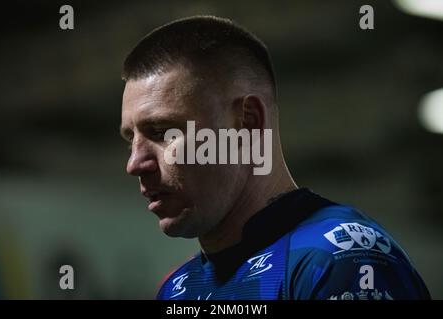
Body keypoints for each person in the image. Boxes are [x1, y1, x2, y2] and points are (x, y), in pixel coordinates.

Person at [119, 15, 430, 300]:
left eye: (161, 132)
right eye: (131, 138)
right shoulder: (177, 289)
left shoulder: (339, 260)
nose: (134, 164)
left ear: (248, 122)